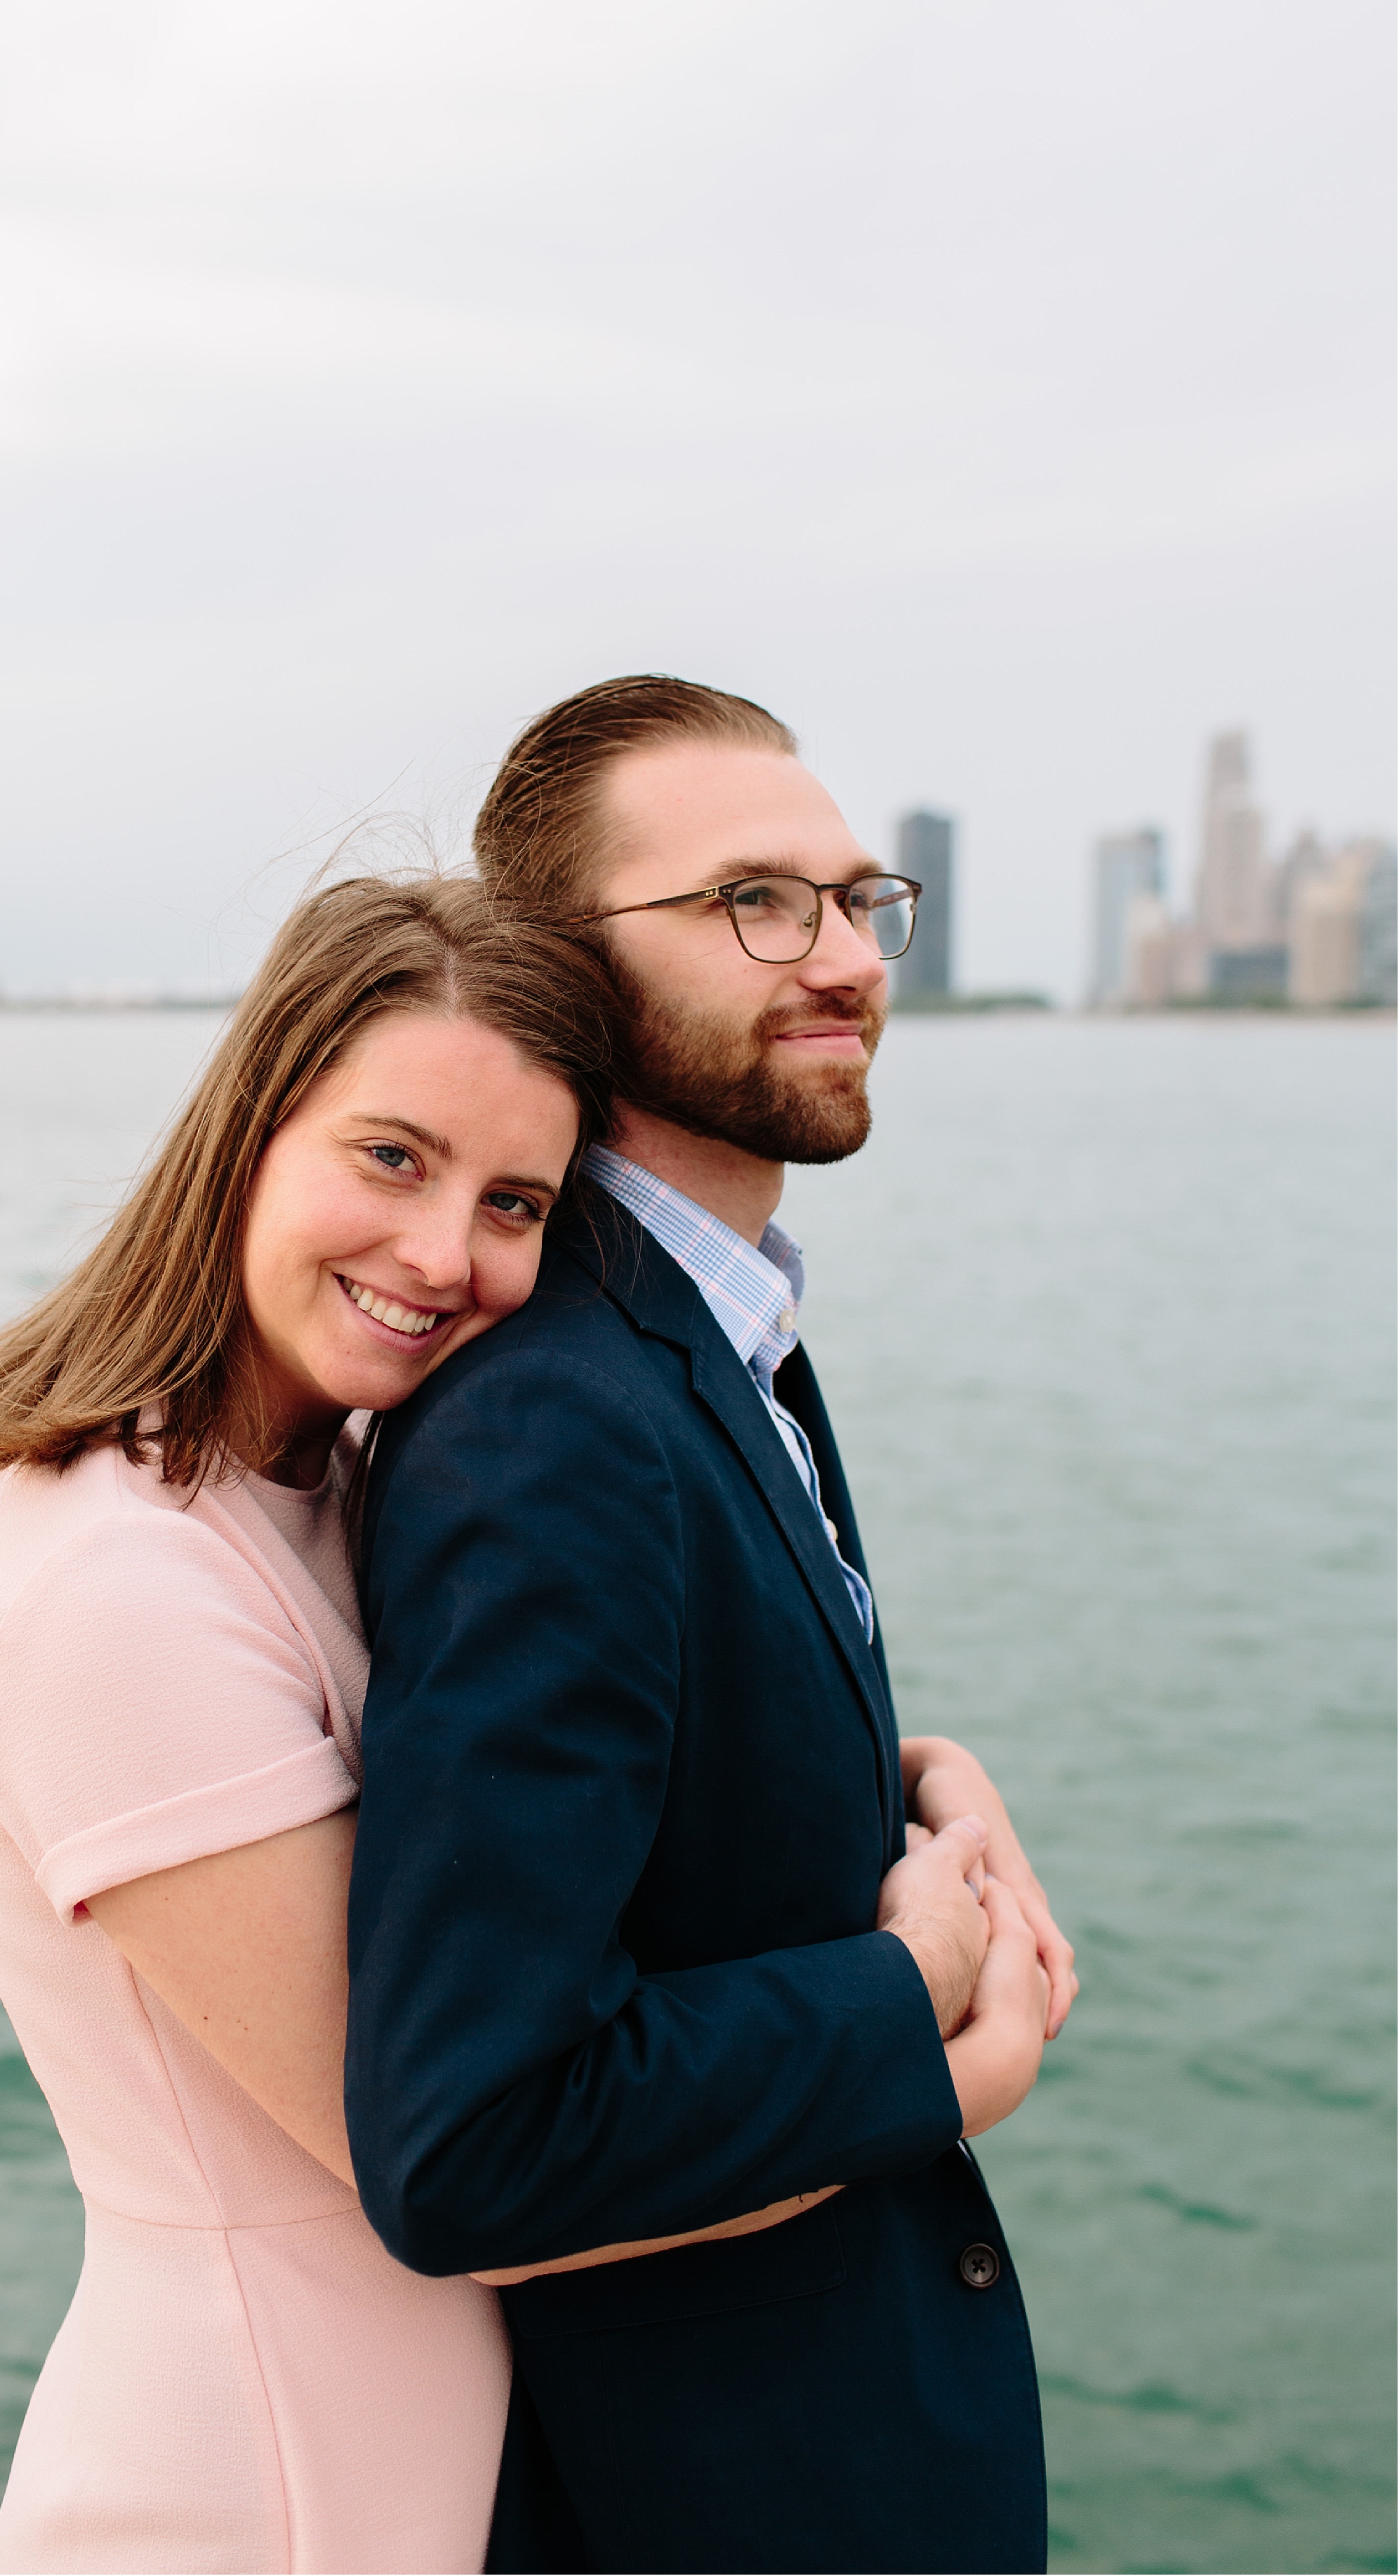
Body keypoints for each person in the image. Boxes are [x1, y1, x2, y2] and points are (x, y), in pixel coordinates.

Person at [343, 676, 1080, 2576]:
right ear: (561, 972)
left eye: (857, 899)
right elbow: (474, 2133)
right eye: (754, 902)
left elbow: (682, 1777)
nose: (839, 956)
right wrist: (910, 1994)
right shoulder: (550, 1419)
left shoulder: (719, 1330)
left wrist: (908, 1780)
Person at [0, 878, 627, 2575]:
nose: (446, 1252)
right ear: (250, 1130)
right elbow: (474, 2162)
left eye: (513, 1201)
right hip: (255, 2500)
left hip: (388, 2469)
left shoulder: (325, 1483)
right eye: (391, 1156)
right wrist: (926, 2049)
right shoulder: (112, 1582)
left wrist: (918, 1776)